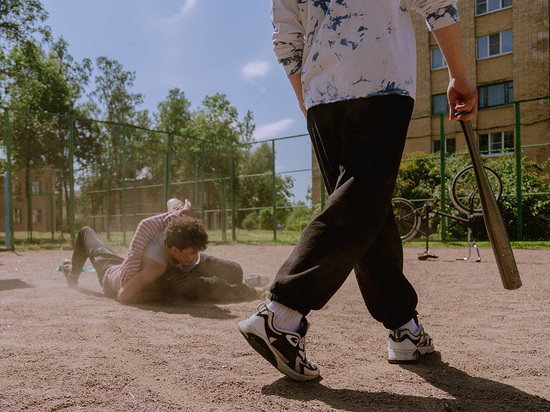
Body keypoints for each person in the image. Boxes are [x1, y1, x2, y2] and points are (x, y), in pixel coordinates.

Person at [238, 0, 478, 381]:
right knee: (363, 200)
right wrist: (458, 75)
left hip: (319, 97)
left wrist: (309, 101)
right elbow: (438, 3)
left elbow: (287, 41)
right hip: (380, 79)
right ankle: (282, 312)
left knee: (365, 206)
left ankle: (403, 327)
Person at [61, 198, 269, 304]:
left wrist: (181, 209)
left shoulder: (175, 230)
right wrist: (157, 294)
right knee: (85, 232)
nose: (195, 258)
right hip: (116, 276)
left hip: (143, 264)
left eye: (196, 252)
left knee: (235, 271)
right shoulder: (155, 266)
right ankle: (72, 274)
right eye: (190, 253)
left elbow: (171, 201)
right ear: (174, 249)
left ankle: (240, 282)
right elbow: (123, 295)